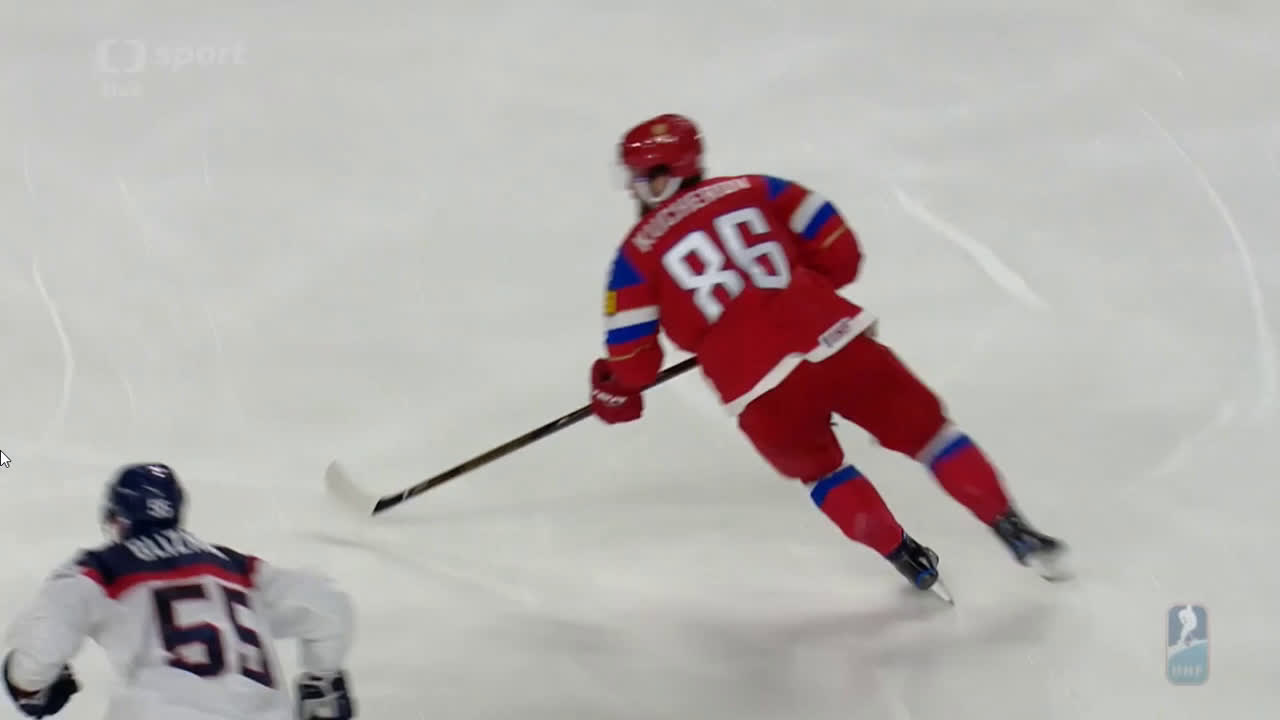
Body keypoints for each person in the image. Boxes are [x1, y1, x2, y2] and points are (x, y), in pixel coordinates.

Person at [588, 114, 1068, 598]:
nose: (634, 189)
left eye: (641, 177)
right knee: (932, 436)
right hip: (837, 340)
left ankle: (906, 558)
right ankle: (1015, 530)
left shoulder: (633, 258)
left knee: (823, 474)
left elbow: (634, 365)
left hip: (758, 389)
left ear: (665, 176)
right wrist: (803, 292)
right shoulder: (759, 187)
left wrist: (614, 388)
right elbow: (841, 253)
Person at [2, 463, 357, 720]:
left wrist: (28, 684)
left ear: (118, 520)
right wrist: (321, 680)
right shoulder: (236, 567)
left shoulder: (106, 566)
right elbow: (328, 606)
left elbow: (47, 634)